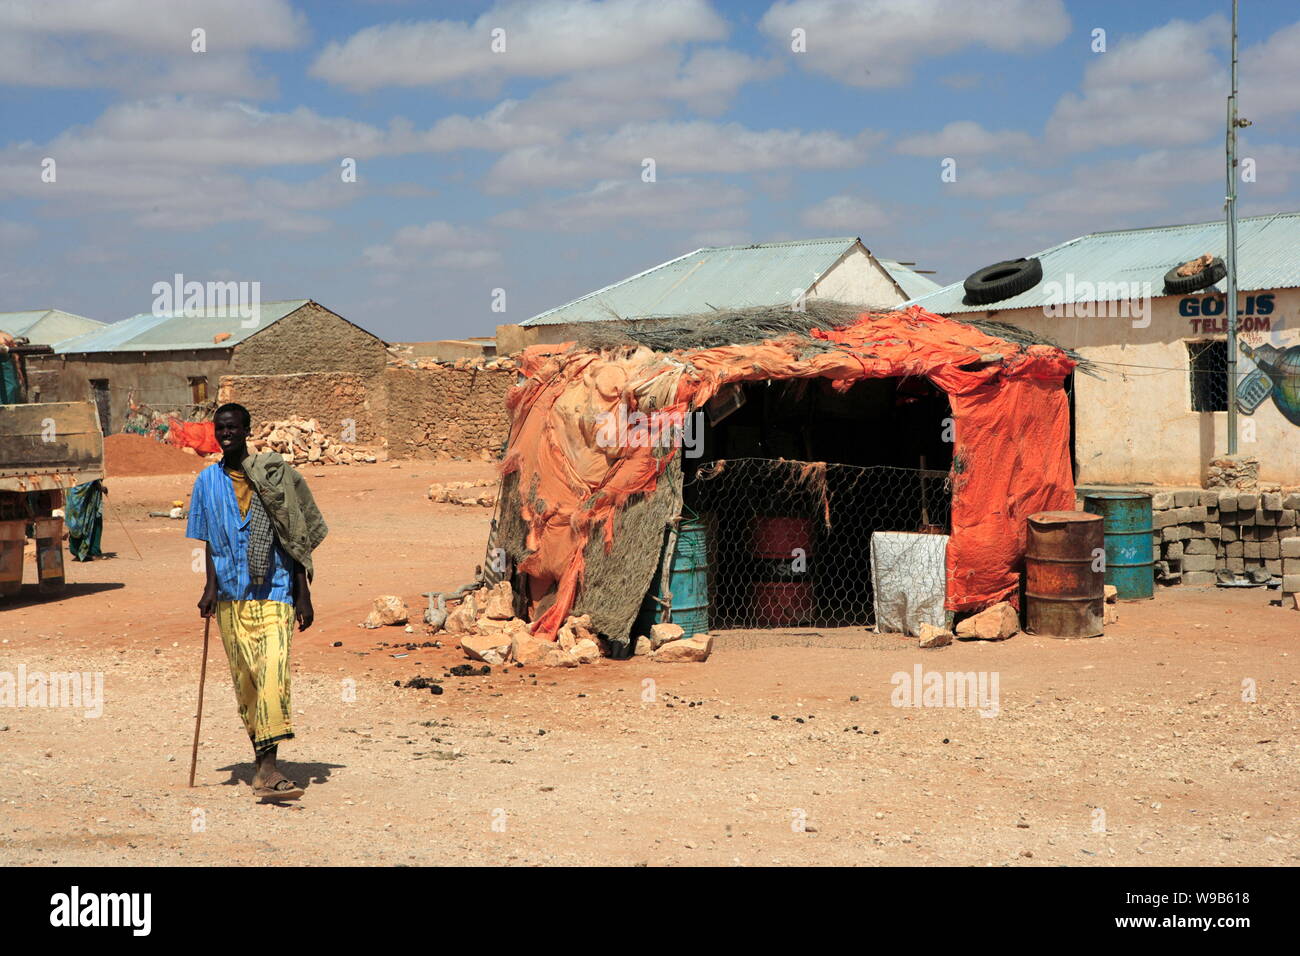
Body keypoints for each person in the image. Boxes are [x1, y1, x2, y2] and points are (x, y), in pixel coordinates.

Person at [186, 403, 327, 801]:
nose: (226, 433)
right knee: (247, 683)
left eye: (232, 427)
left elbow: (295, 534)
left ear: (247, 429)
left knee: (272, 675)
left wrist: (303, 591)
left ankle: (269, 769)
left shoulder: (273, 476)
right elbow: (210, 540)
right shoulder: (205, 483)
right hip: (231, 594)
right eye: (220, 428)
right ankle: (260, 761)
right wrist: (209, 587)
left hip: (277, 590)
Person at [65, 479, 107, 561]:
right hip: (86, 495)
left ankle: (78, 551)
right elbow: (90, 476)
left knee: (75, 522)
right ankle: (93, 552)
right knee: (93, 522)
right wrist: (97, 485)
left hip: (73, 494)